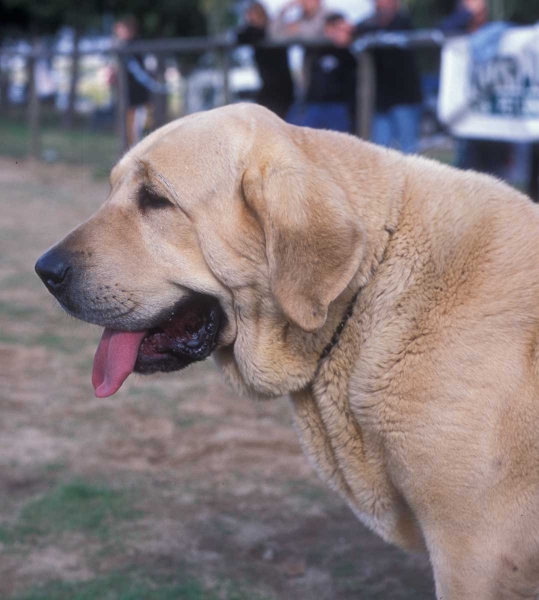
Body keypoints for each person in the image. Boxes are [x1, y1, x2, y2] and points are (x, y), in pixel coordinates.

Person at [355, 0, 423, 154]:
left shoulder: (403, 23)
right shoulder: (368, 25)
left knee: (409, 152)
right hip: (380, 101)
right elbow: (357, 29)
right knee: (379, 152)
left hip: (405, 98)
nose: (382, 4)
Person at [289, 13, 356, 132]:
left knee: (338, 145)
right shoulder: (315, 48)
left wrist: (347, 42)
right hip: (313, 105)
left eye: (338, 29)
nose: (334, 33)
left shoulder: (349, 51)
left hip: (337, 106)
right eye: (331, 28)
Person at [237, 2, 294, 119]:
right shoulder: (252, 33)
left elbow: (260, 33)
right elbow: (241, 35)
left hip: (281, 86)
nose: (252, 19)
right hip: (267, 86)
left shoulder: (272, 31)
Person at [112, 17, 151, 147]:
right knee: (129, 127)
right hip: (127, 95)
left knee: (138, 126)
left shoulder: (134, 46)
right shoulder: (122, 47)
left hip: (137, 95)